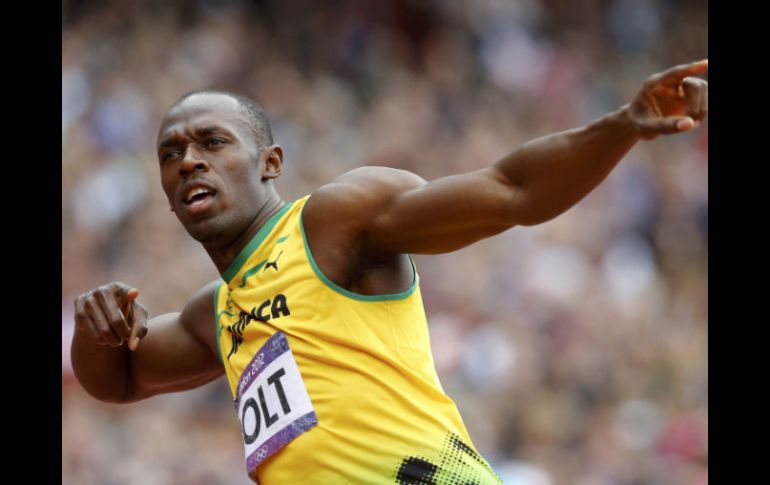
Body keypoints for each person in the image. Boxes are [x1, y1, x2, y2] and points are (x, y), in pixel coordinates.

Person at [71, 59, 708, 484]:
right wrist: (95, 330)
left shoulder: (332, 223)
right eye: (170, 153)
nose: (188, 161)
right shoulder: (218, 314)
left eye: (213, 143)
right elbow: (119, 379)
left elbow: (512, 190)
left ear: (270, 162)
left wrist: (621, 127)